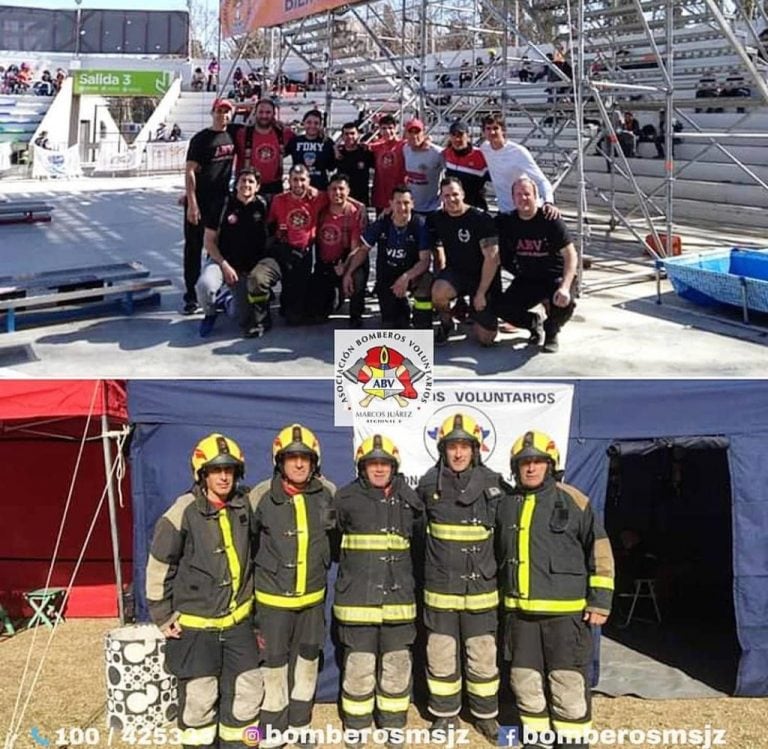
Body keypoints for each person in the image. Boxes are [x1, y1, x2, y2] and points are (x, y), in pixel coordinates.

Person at [496, 431, 614, 749]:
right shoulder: (505, 505)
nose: (531, 468)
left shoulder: (574, 500)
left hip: (566, 617)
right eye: (524, 463)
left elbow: (599, 550)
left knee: (568, 682)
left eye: (538, 462)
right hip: (520, 619)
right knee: (524, 681)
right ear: (515, 467)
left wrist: (600, 601)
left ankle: (573, 742)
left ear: (551, 465)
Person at [146, 433, 263, 749]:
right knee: (199, 699)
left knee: (249, 692)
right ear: (202, 474)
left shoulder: (244, 505)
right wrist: (161, 614)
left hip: (239, 626)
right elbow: (159, 565)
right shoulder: (181, 512)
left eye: (229, 469)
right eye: (215, 470)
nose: (224, 476)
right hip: (196, 629)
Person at [416, 413, 509, 744]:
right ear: (443, 449)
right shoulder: (428, 486)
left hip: (482, 595)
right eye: (452, 446)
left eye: (464, 447)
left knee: (483, 658)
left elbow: (505, 542)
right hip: (440, 595)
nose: (458, 454)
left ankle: (486, 717)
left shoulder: (495, 486)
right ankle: (444, 716)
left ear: (475, 449)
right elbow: (416, 540)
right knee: (440, 658)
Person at [332, 435, 423, 748]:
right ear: (362, 467)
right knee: (359, 667)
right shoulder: (344, 500)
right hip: (357, 604)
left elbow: (421, 549)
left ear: (394, 467)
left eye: (385, 463)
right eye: (373, 463)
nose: (379, 469)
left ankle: (393, 724)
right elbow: (332, 545)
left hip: (399, 605)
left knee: (397, 666)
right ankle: (356, 725)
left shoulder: (411, 502)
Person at [249, 425, 335, 749]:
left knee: (308, 662)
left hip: (312, 601)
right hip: (272, 602)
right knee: (273, 666)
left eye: (305, 458)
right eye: (291, 458)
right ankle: (273, 730)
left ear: (314, 463)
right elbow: (246, 543)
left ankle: (300, 725)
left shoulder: (328, 493)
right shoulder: (259, 496)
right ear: (279, 461)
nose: (299, 464)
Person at [496, 176, 577, 353]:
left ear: (536, 196)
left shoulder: (550, 219)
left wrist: (565, 286)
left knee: (564, 302)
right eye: (518, 194)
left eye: (527, 194)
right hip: (528, 278)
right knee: (501, 306)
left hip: (555, 277)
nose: (523, 198)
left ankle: (552, 331)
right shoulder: (507, 222)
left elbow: (571, 255)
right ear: (512, 198)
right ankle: (533, 323)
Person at [197, 167, 280, 339]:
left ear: (257, 187)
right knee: (205, 285)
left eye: (251, 181)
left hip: (247, 269)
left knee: (239, 316)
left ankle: (227, 299)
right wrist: (224, 265)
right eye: (243, 181)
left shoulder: (265, 205)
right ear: (236, 184)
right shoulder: (222, 205)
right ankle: (210, 313)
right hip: (222, 262)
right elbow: (209, 241)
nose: (246, 185)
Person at [345, 184, 432, 330]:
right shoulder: (382, 223)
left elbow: (425, 260)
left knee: (426, 281)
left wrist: (406, 277)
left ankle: (422, 320)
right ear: (391, 203)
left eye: (406, 203)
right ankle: (398, 308)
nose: (402, 207)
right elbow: (363, 250)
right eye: (398, 203)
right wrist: (348, 273)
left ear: (413, 203)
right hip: (388, 275)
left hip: (412, 274)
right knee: (391, 322)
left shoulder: (420, 225)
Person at [428, 177, 500, 347]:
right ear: (441, 198)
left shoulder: (481, 219)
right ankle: (446, 323)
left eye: (455, 194)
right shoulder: (438, 219)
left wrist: (481, 293)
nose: (451, 199)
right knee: (438, 292)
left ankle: (478, 313)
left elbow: (492, 259)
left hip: (482, 277)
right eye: (446, 196)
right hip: (457, 273)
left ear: (463, 194)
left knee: (486, 338)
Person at [181, 98, 236, 315]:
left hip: (221, 201)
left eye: (227, 111)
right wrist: (191, 202)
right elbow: (190, 171)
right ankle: (190, 296)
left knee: (218, 245)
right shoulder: (201, 139)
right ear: (212, 112)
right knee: (193, 248)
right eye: (220, 111)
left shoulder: (233, 135)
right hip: (200, 201)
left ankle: (216, 287)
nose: (223, 115)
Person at [267, 164, 329, 325]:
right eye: (295, 180)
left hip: (308, 249)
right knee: (290, 286)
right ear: (289, 181)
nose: (299, 184)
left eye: (302, 180)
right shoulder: (279, 200)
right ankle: (288, 307)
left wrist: (361, 207)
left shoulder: (318, 198)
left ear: (309, 181)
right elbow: (269, 224)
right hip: (285, 249)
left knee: (307, 284)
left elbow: (340, 195)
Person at [309, 174, 368, 328]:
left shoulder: (355, 213)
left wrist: (346, 270)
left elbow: (356, 248)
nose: (337, 193)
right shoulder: (321, 210)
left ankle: (355, 314)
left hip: (347, 260)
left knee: (357, 278)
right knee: (316, 312)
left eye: (341, 189)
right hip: (325, 264)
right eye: (333, 189)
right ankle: (335, 297)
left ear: (348, 191)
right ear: (327, 191)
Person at [479, 112, 558, 216]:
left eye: (495, 128)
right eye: (488, 129)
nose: (492, 132)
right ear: (483, 131)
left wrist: (549, 201)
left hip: (526, 210)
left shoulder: (518, 152)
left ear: (503, 130)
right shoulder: (484, 148)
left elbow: (540, 179)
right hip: (505, 212)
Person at [232, 99, 294, 201]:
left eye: (268, 112)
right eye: (261, 112)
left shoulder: (284, 133)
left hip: (274, 187)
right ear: (255, 113)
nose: (264, 116)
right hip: (247, 187)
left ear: (274, 114)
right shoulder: (242, 134)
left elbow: (305, 142)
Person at [442, 120, 489, 210]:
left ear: (468, 137)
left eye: (460, 135)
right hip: (453, 208)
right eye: (453, 135)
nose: (457, 139)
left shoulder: (481, 155)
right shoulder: (446, 153)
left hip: (475, 209)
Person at [286, 109, 336, 191]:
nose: (312, 126)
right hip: (298, 188)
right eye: (309, 122)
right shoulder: (295, 141)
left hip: (320, 189)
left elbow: (332, 167)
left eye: (316, 123)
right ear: (303, 123)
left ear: (320, 125)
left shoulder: (327, 142)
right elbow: (280, 154)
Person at [402, 118, 444, 215]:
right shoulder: (405, 149)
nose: (414, 136)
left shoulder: (437, 152)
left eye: (417, 132)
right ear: (406, 134)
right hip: (412, 207)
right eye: (410, 132)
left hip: (433, 208)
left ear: (423, 134)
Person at [368, 115, 406, 215]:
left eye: (390, 128)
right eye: (384, 128)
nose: (387, 131)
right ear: (379, 130)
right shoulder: (376, 147)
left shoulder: (404, 146)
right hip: (380, 198)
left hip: (398, 198)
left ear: (396, 128)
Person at [333, 122, 374, 206]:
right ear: (342, 136)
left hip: (361, 200)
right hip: (343, 199)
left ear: (358, 135)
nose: (349, 136)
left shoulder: (365, 152)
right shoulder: (338, 153)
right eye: (346, 134)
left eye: (352, 133)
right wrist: (335, 149)